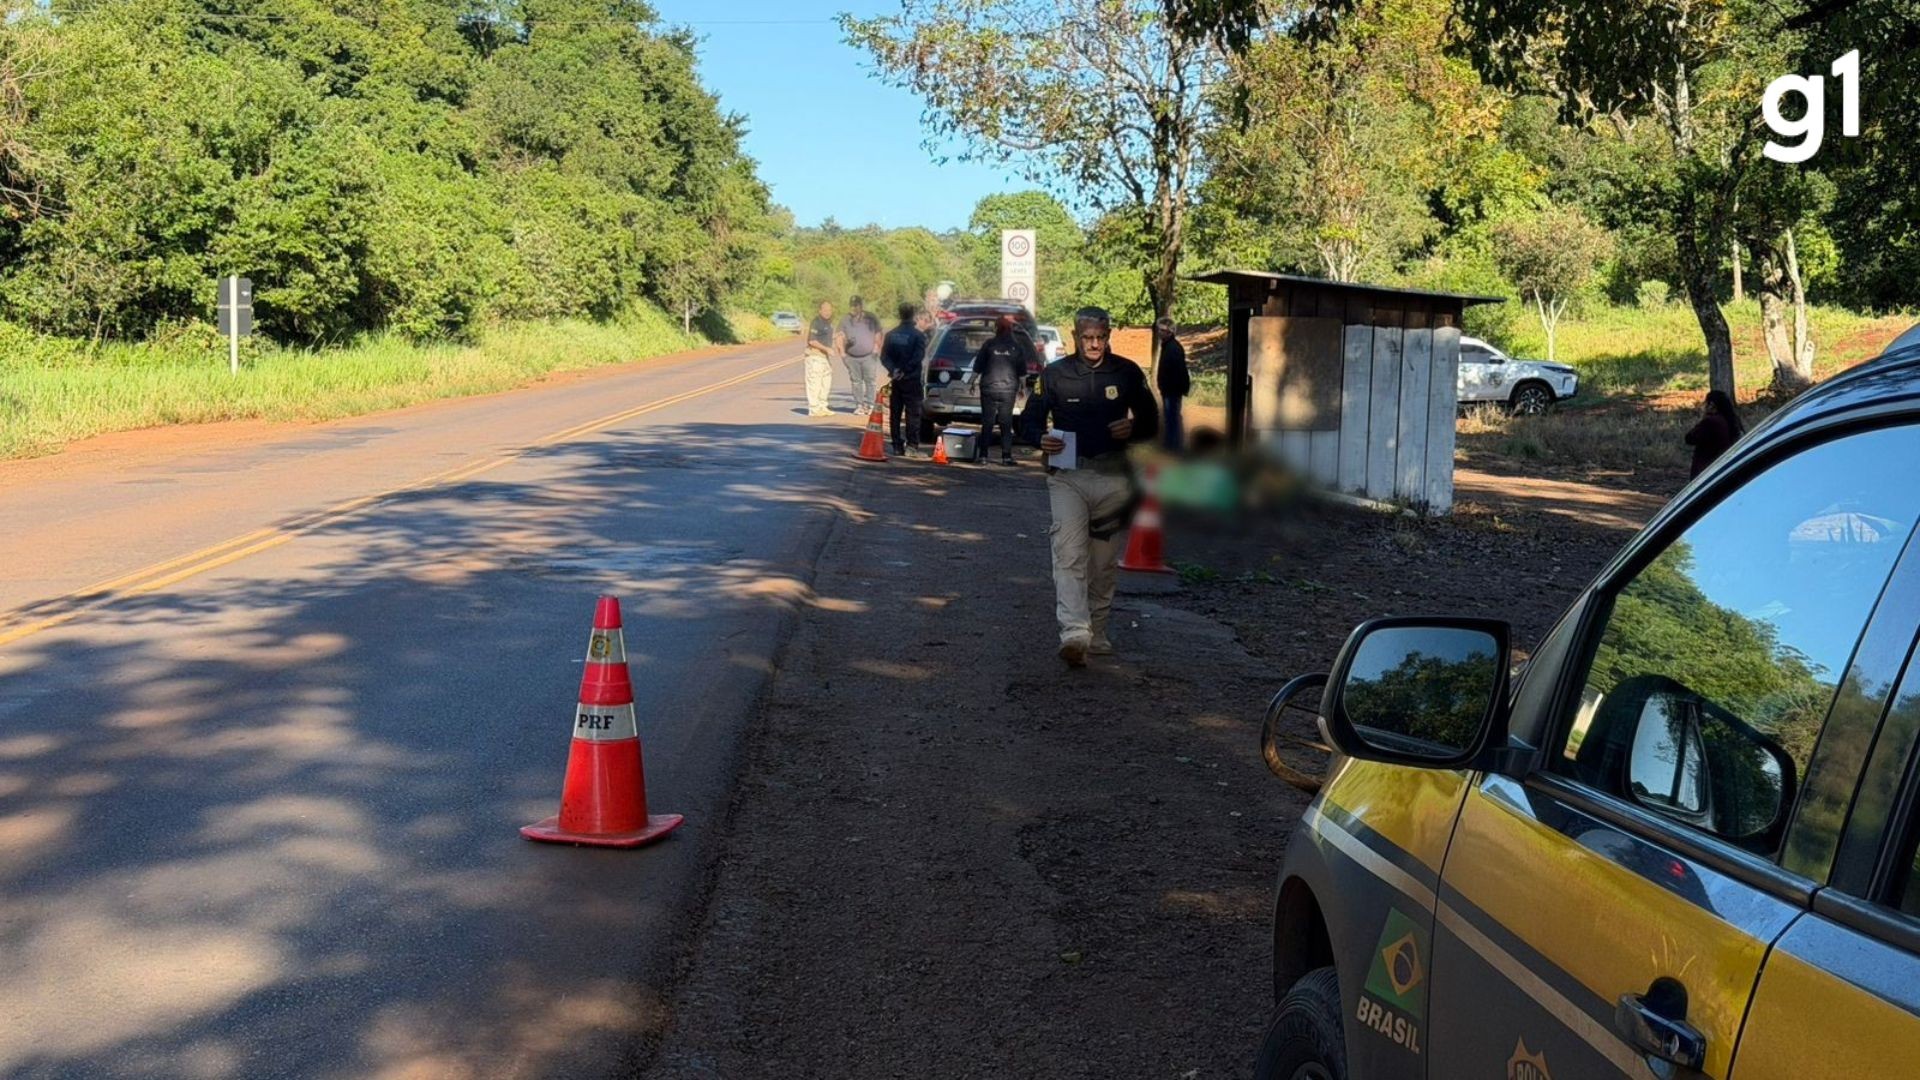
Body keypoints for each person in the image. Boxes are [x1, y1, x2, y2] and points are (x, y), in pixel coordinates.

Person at [1025, 306, 1159, 666]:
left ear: (1109, 335)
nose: (1094, 344)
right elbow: (1028, 423)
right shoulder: (1054, 375)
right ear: (1075, 337)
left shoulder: (1128, 373)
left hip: (1115, 480)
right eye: (1087, 338)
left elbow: (1152, 423)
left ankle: (1096, 632)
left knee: (1102, 564)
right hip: (1068, 478)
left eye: (1100, 337)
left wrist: (1134, 428)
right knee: (1069, 553)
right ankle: (1074, 632)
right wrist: (1041, 439)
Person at [969, 314, 1031, 466]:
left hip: (989, 388)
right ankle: (1006, 457)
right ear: (1010, 329)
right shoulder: (1016, 347)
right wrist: (1023, 387)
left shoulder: (989, 345)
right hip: (1008, 389)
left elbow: (978, 366)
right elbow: (1022, 371)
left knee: (987, 422)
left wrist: (971, 382)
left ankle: (983, 456)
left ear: (996, 328)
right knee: (1006, 423)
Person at [880, 301, 928, 457]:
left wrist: (894, 370)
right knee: (913, 413)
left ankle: (896, 445)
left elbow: (884, 357)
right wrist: (904, 370)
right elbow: (918, 357)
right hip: (911, 379)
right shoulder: (918, 336)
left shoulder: (891, 335)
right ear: (913, 315)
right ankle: (911, 446)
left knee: (895, 412)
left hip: (897, 379)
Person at [837, 296, 883, 414]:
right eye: (852, 305)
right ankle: (859, 405)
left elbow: (878, 333)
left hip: (869, 356)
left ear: (861, 306)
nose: (854, 308)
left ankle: (870, 404)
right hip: (852, 357)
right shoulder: (845, 320)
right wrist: (842, 353)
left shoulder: (870, 317)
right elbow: (839, 336)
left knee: (870, 381)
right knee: (856, 381)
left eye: (856, 305)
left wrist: (876, 349)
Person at [1685, 389, 1745, 478]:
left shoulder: (1710, 422)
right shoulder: (1733, 420)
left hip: (1706, 469)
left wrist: (1702, 419)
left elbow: (1690, 438)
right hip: (1725, 466)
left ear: (1712, 405)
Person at [1155, 317, 1190, 452]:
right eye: (1159, 329)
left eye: (1163, 330)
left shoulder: (1173, 348)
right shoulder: (1168, 346)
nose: (1160, 333)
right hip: (1169, 389)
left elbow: (1179, 371)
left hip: (1172, 390)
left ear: (1170, 332)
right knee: (1171, 418)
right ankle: (1172, 447)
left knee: (1172, 419)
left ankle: (1173, 448)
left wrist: (1175, 388)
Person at [802, 300, 836, 417]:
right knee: (814, 383)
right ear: (820, 310)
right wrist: (827, 349)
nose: (827, 312)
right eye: (825, 310)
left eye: (829, 310)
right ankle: (814, 408)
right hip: (815, 356)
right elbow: (812, 340)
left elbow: (826, 337)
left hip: (824, 358)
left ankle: (822, 406)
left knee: (825, 383)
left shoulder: (829, 323)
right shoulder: (816, 322)